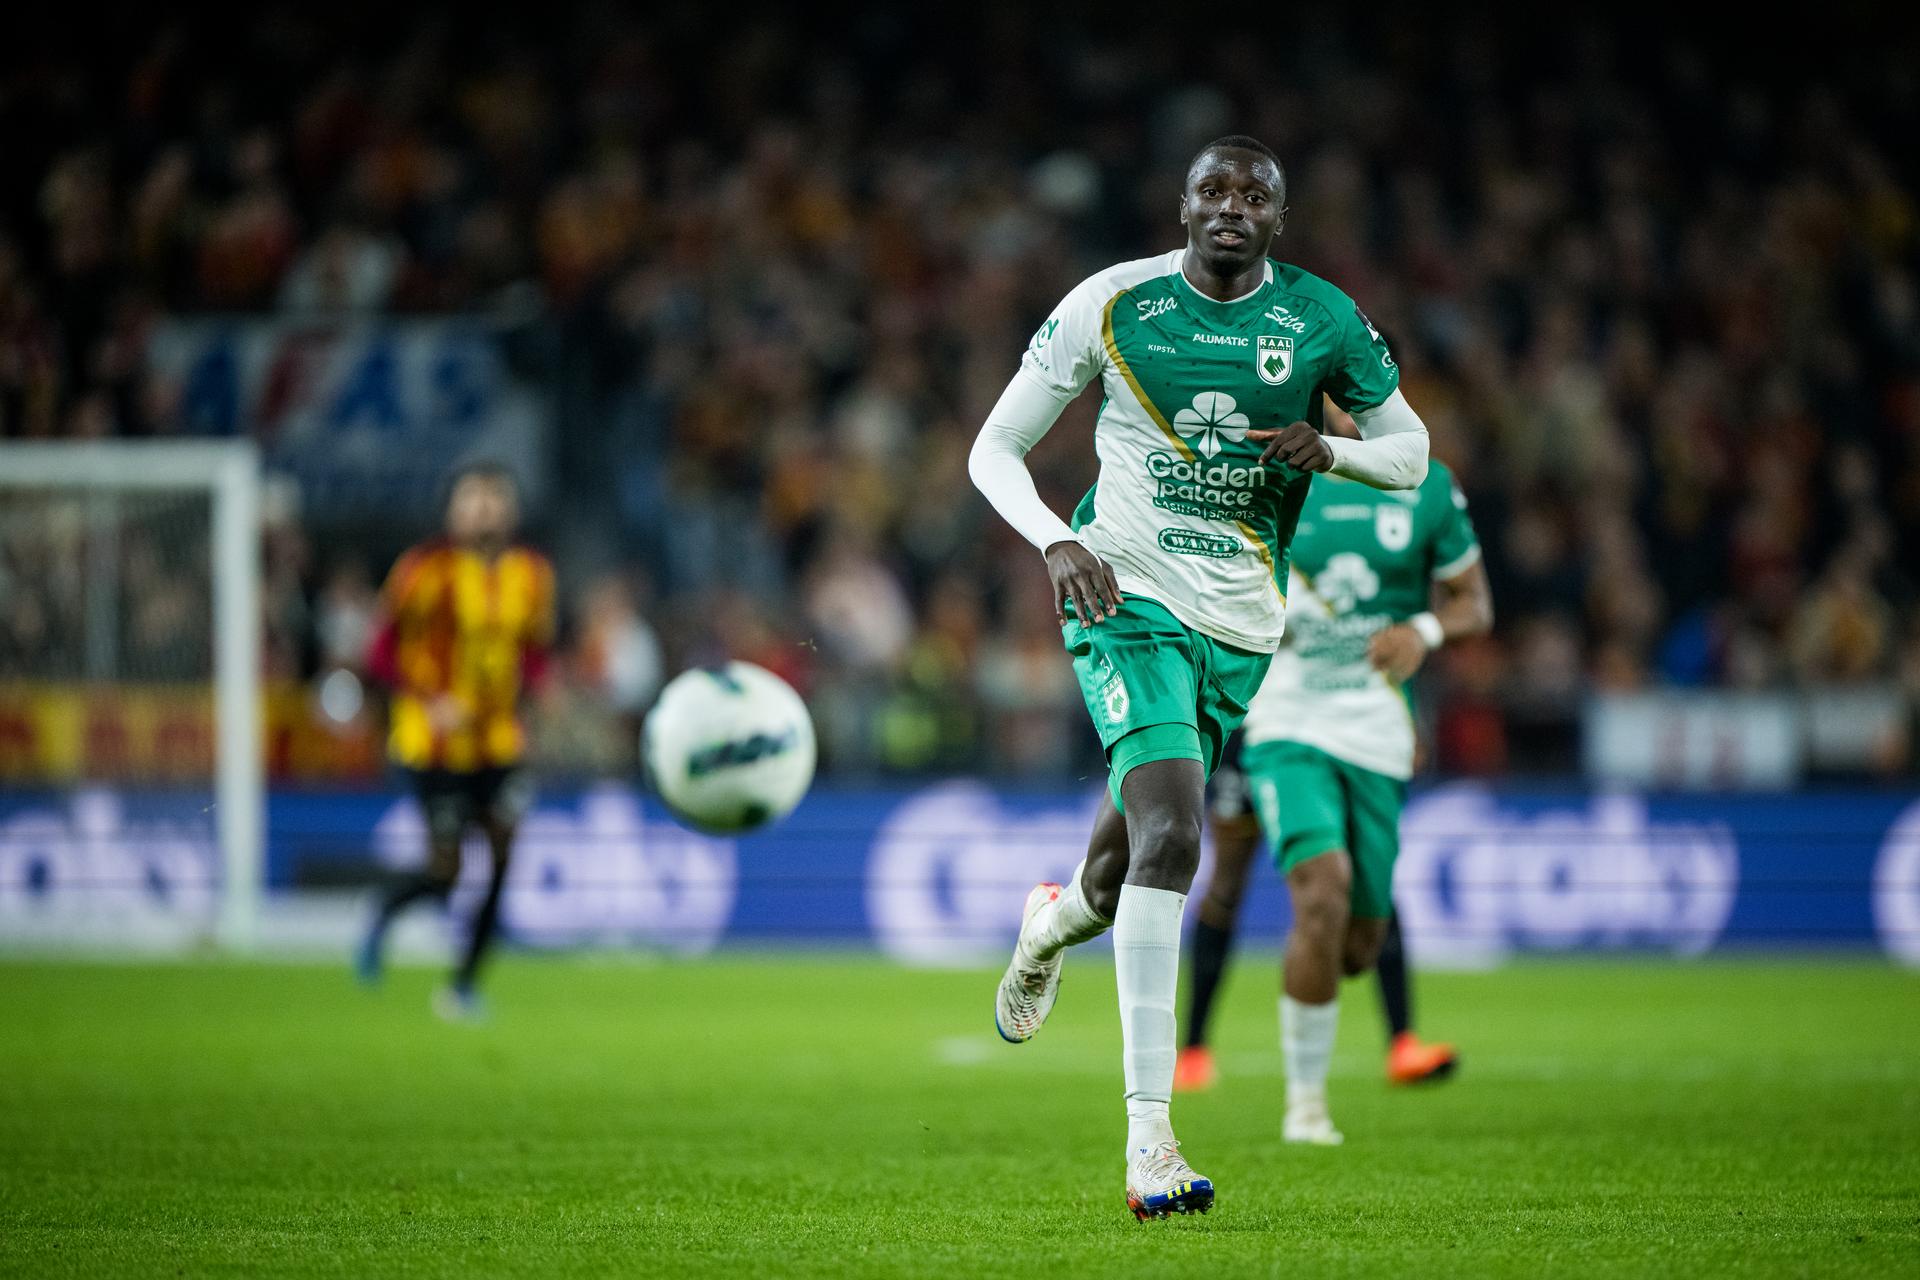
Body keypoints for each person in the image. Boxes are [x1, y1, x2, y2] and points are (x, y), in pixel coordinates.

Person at [968, 135, 1429, 1220]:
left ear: (1278, 217)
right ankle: (1150, 1142)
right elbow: (994, 449)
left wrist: (1336, 452)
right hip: (1122, 595)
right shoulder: (1112, 304)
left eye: (1253, 195)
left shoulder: (1322, 319)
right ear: (1183, 207)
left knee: (1129, 855)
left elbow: (1409, 450)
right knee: (1176, 833)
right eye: (1212, 190)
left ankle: (1052, 922)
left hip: (1242, 623)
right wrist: (1053, 540)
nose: (1231, 207)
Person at [1182, 450, 1493, 1142]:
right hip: (1282, 719)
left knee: (1357, 939)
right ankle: (1293, 1100)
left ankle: (1394, 1034)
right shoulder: (1269, 476)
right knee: (1311, 887)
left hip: (1377, 726)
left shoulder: (1428, 486)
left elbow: (1474, 601)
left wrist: (1425, 630)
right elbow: (1205, 575)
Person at [354, 462, 556, 1020]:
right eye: (474, 499)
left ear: (512, 510)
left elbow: (533, 650)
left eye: (495, 499)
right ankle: (387, 909)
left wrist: (538, 695)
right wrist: (428, 698)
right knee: (447, 875)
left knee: (503, 856)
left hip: (500, 743)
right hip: (433, 744)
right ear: (453, 510)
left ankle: (463, 986)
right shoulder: (424, 570)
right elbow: (380, 652)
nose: (485, 510)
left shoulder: (533, 573)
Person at [1174, 744, 1460, 1093]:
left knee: (1367, 874)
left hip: (1316, 746)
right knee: (1226, 885)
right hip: (1251, 744)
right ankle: (1192, 1052)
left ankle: (1403, 1044)